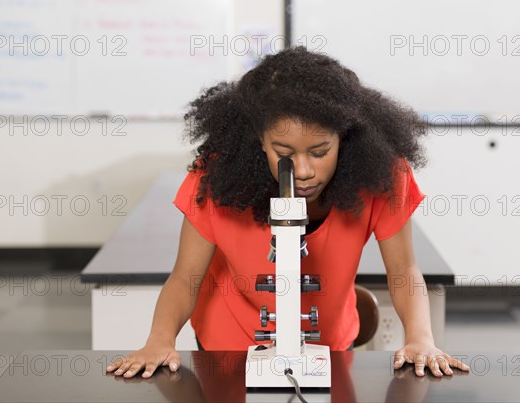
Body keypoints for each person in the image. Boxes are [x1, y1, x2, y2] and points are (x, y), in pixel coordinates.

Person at [107, 46, 469, 379]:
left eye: (320, 150)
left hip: (329, 346)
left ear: (344, 137)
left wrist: (421, 338)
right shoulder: (214, 179)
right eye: (283, 151)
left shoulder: (384, 176)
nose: (304, 170)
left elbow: (404, 271)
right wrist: (159, 339)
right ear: (258, 141)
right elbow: (185, 277)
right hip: (227, 348)